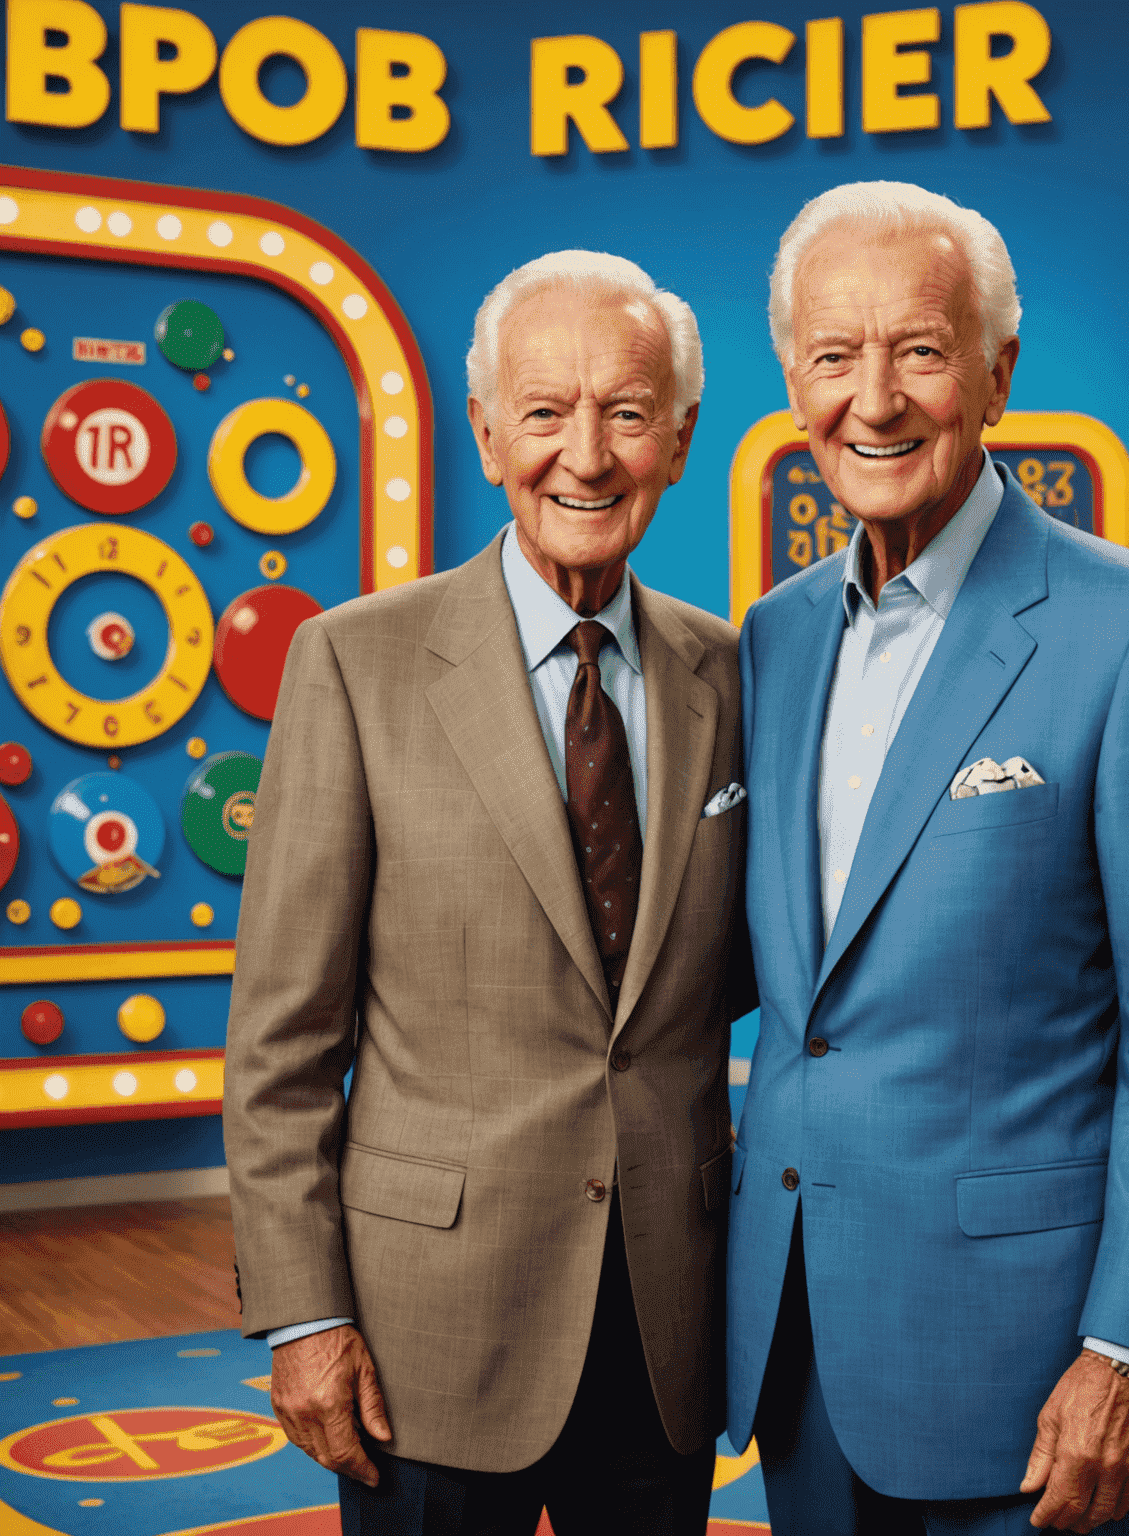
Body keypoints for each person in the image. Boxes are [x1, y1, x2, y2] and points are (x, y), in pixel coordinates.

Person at [726, 181, 1129, 1536]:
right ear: (793, 382)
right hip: (797, 1345)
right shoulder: (777, 639)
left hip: (1028, 1378)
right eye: (834, 357)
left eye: (918, 350)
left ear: (995, 372)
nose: (876, 400)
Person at [224, 250, 752, 1536]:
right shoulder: (353, 665)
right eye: (545, 412)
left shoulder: (731, 673)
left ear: (678, 441)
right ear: (484, 432)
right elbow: (284, 1043)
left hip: (668, 1327)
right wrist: (305, 1316)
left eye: (626, 414)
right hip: (427, 1340)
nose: (585, 454)